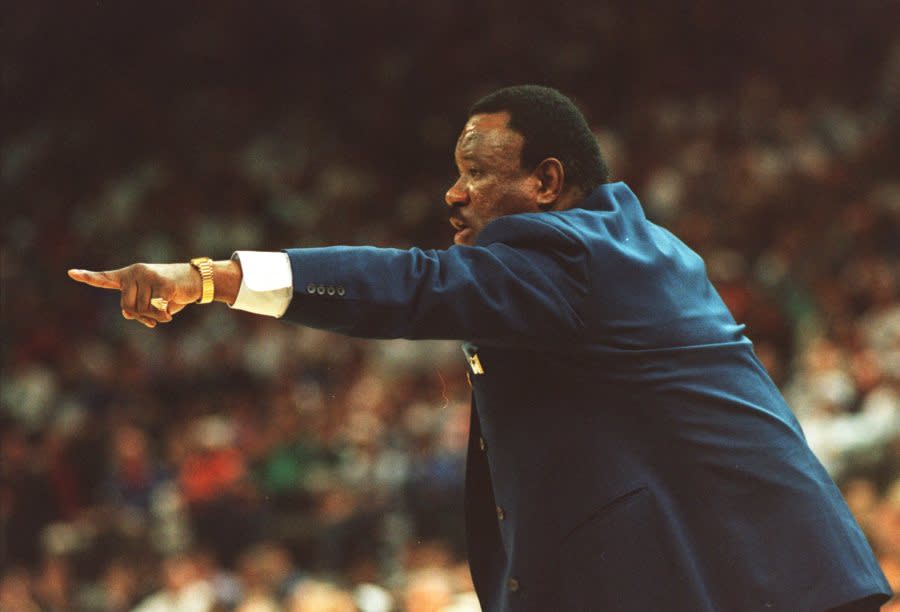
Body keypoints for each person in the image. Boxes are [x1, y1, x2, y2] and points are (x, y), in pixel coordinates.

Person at [69, 85, 891, 611]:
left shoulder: (579, 259)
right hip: (768, 579)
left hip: (766, 588)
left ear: (545, 183)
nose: (452, 192)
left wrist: (212, 277)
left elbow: (416, 287)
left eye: (475, 170)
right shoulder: (628, 250)